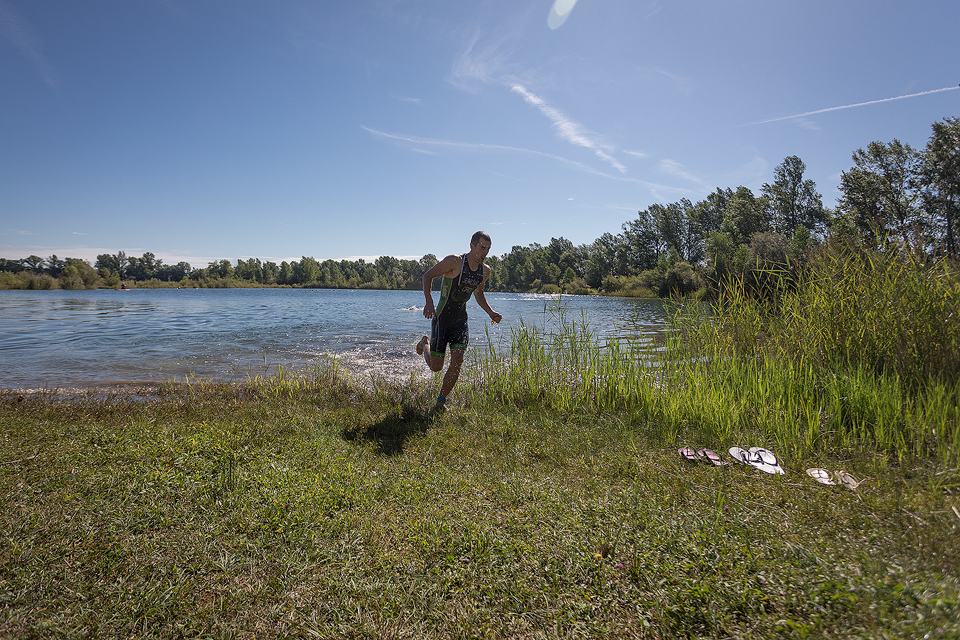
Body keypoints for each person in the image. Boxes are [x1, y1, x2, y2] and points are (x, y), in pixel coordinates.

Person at [417, 231, 502, 407]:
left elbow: (479, 294)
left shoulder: (485, 271)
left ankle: (441, 401)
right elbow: (427, 276)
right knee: (436, 367)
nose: (485, 252)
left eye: (488, 249)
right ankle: (424, 342)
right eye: (481, 247)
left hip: (460, 321)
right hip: (442, 319)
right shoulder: (454, 261)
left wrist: (491, 312)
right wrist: (429, 302)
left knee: (458, 359)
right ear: (472, 246)